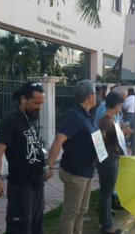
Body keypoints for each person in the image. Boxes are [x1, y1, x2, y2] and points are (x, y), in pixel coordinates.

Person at [0, 82, 47, 234]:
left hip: (37, 186)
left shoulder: (30, 121)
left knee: (36, 227)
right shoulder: (11, 121)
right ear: (23, 99)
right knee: (20, 229)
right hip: (21, 188)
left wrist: (45, 167)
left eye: (41, 103)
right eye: (36, 103)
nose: (39, 107)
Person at [44, 79, 98, 234]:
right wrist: (48, 166)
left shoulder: (87, 115)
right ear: (89, 96)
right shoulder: (74, 116)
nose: (96, 96)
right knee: (71, 212)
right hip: (75, 172)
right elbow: (58, 140)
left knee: (82, 211)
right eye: (94, 93)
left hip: (87, 170)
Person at [96, 92, 133, 234]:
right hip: (108, 159)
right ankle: (106, 225)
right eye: (120, 104)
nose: (121, 107)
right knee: (106, 192)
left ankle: (107, 223)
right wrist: (102, 158)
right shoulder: (105, 120)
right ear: (117, 105)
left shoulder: (112, 119)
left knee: (108, 191)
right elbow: (99, 140)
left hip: (112, 157)